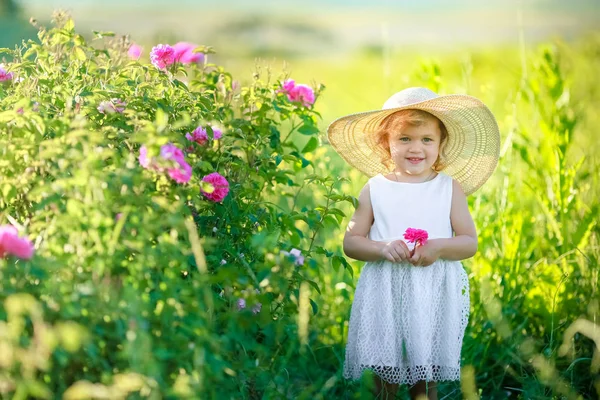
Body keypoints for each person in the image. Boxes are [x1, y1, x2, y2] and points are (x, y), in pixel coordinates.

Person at [326, 87, 500, 399]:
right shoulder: (375, 189)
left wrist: (438, 247)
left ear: (440, 143)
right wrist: (381, 248)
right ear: (386, 143)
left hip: (431, 293)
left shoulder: (448, 188)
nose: (415, 148)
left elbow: (468, 242)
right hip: (385, 292)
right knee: (385, 377)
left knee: (424, 381)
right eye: (404, 139)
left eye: (426, 139)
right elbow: (351, 242)